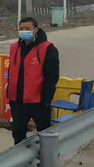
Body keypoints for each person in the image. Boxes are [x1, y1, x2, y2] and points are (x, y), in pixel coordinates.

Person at [7, 16, 60, 146]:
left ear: (35, 29)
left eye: (27, 28)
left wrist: (46, 100)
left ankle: (46, 157)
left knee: (44, 134)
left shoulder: (47, 48)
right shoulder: (14, 47)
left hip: (38, 101)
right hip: (18, 101)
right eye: (21, 28)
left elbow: (52, 76)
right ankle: (20, 157)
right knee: (18, 133)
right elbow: (11, 70)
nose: (24, 31)